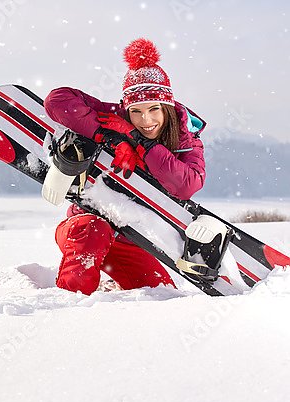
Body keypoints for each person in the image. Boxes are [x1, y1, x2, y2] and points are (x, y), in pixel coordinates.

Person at [44, 38, 206, 295]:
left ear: (167, 108)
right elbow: (57, 100)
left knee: (162, 293)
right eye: (136, 112)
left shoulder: (186, 139)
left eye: (154, 109)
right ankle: (66, 313)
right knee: (93, 231)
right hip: (86, 225)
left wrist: (137, 140)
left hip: (132, 238)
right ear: (126, 109)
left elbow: (186, 185)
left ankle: (111, 283)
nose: (146, 120)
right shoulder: (114, 117)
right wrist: (109, 136)